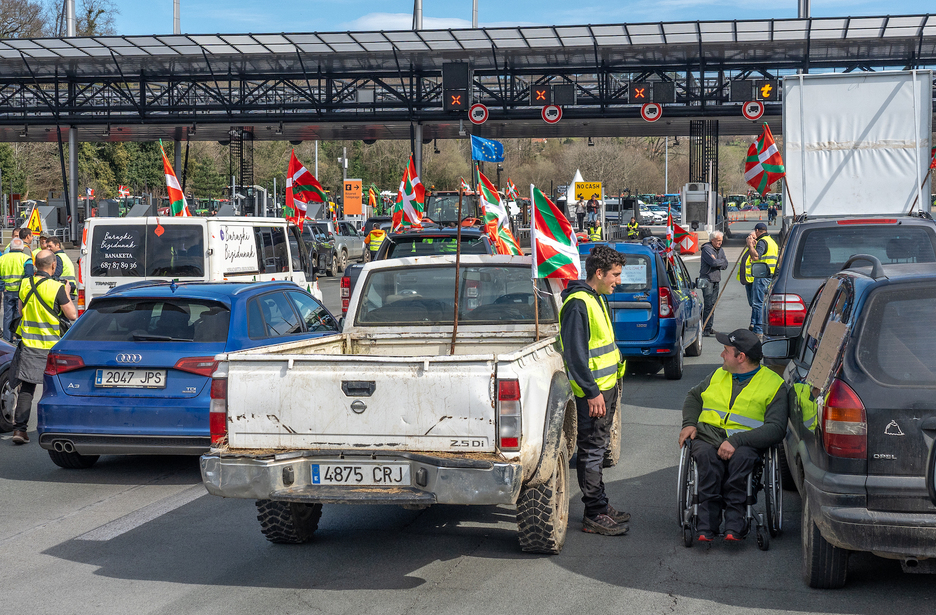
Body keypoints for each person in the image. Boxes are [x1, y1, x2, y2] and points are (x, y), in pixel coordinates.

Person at [678, 329, 788, 542]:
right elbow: (693, 396)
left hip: (746, 442)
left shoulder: (774, 385)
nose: (721, 355)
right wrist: (689, 423)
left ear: (741, 357)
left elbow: (776, 429)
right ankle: (705, 526)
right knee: (707, 461)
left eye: (726, 351)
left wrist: (736, 441)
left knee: (742, 461)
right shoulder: (719, 374)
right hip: (709, 437)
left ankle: (735, 525)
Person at [559, 245, 630, 536]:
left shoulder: (596, 298)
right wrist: (591, 392)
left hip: (605, 388)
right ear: (598, 273)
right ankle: (594, 513)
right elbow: (574, 355)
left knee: (598, 449)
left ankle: (599, 504)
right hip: (594, 394)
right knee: (591, 451)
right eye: (615, 275)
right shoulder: (579, 303)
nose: (618, 280)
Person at [10, 250, 78, 444]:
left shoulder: (24, 284)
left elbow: (21, 310)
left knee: (27, 388)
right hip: (51, 347)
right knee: (57, 389)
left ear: (36, 265)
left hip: (29, 345)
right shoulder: (56, 288)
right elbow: (72, 315)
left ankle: (19, 430)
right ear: (53, 266)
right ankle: (59, 430)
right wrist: (65, 293)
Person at [745, 223, 778, 336]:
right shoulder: (772, 242)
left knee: (757, 303)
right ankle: (755, 324)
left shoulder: (762, 242)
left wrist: (750, 245)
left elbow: (755, 256)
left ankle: (758, 329)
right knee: (762, 302)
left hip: (761, 275)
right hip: (770, 275)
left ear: (757, 230)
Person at [0, 238, 34, 342]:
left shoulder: (2, 259)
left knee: (8, 316)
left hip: (7, 291)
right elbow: (29, 275)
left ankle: (7, 340)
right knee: (20, 315)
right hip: (21, 293)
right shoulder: (26, 259)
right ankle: (19, 339)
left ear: (10, 248)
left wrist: (3, 287)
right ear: (23, 248)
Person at [699, 231, 728, 336]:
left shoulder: (720, 250)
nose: (720, 243)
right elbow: (712, 262)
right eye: (718, 240)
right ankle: (705, 328)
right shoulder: (707, 249)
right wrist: (719, 261)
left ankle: (709, 326)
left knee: (713, 304)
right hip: (707, 280)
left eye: (721, 240)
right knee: (708, 304)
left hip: (716, 279)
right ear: (712, 240)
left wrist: (718, 261)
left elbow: (725, 264)